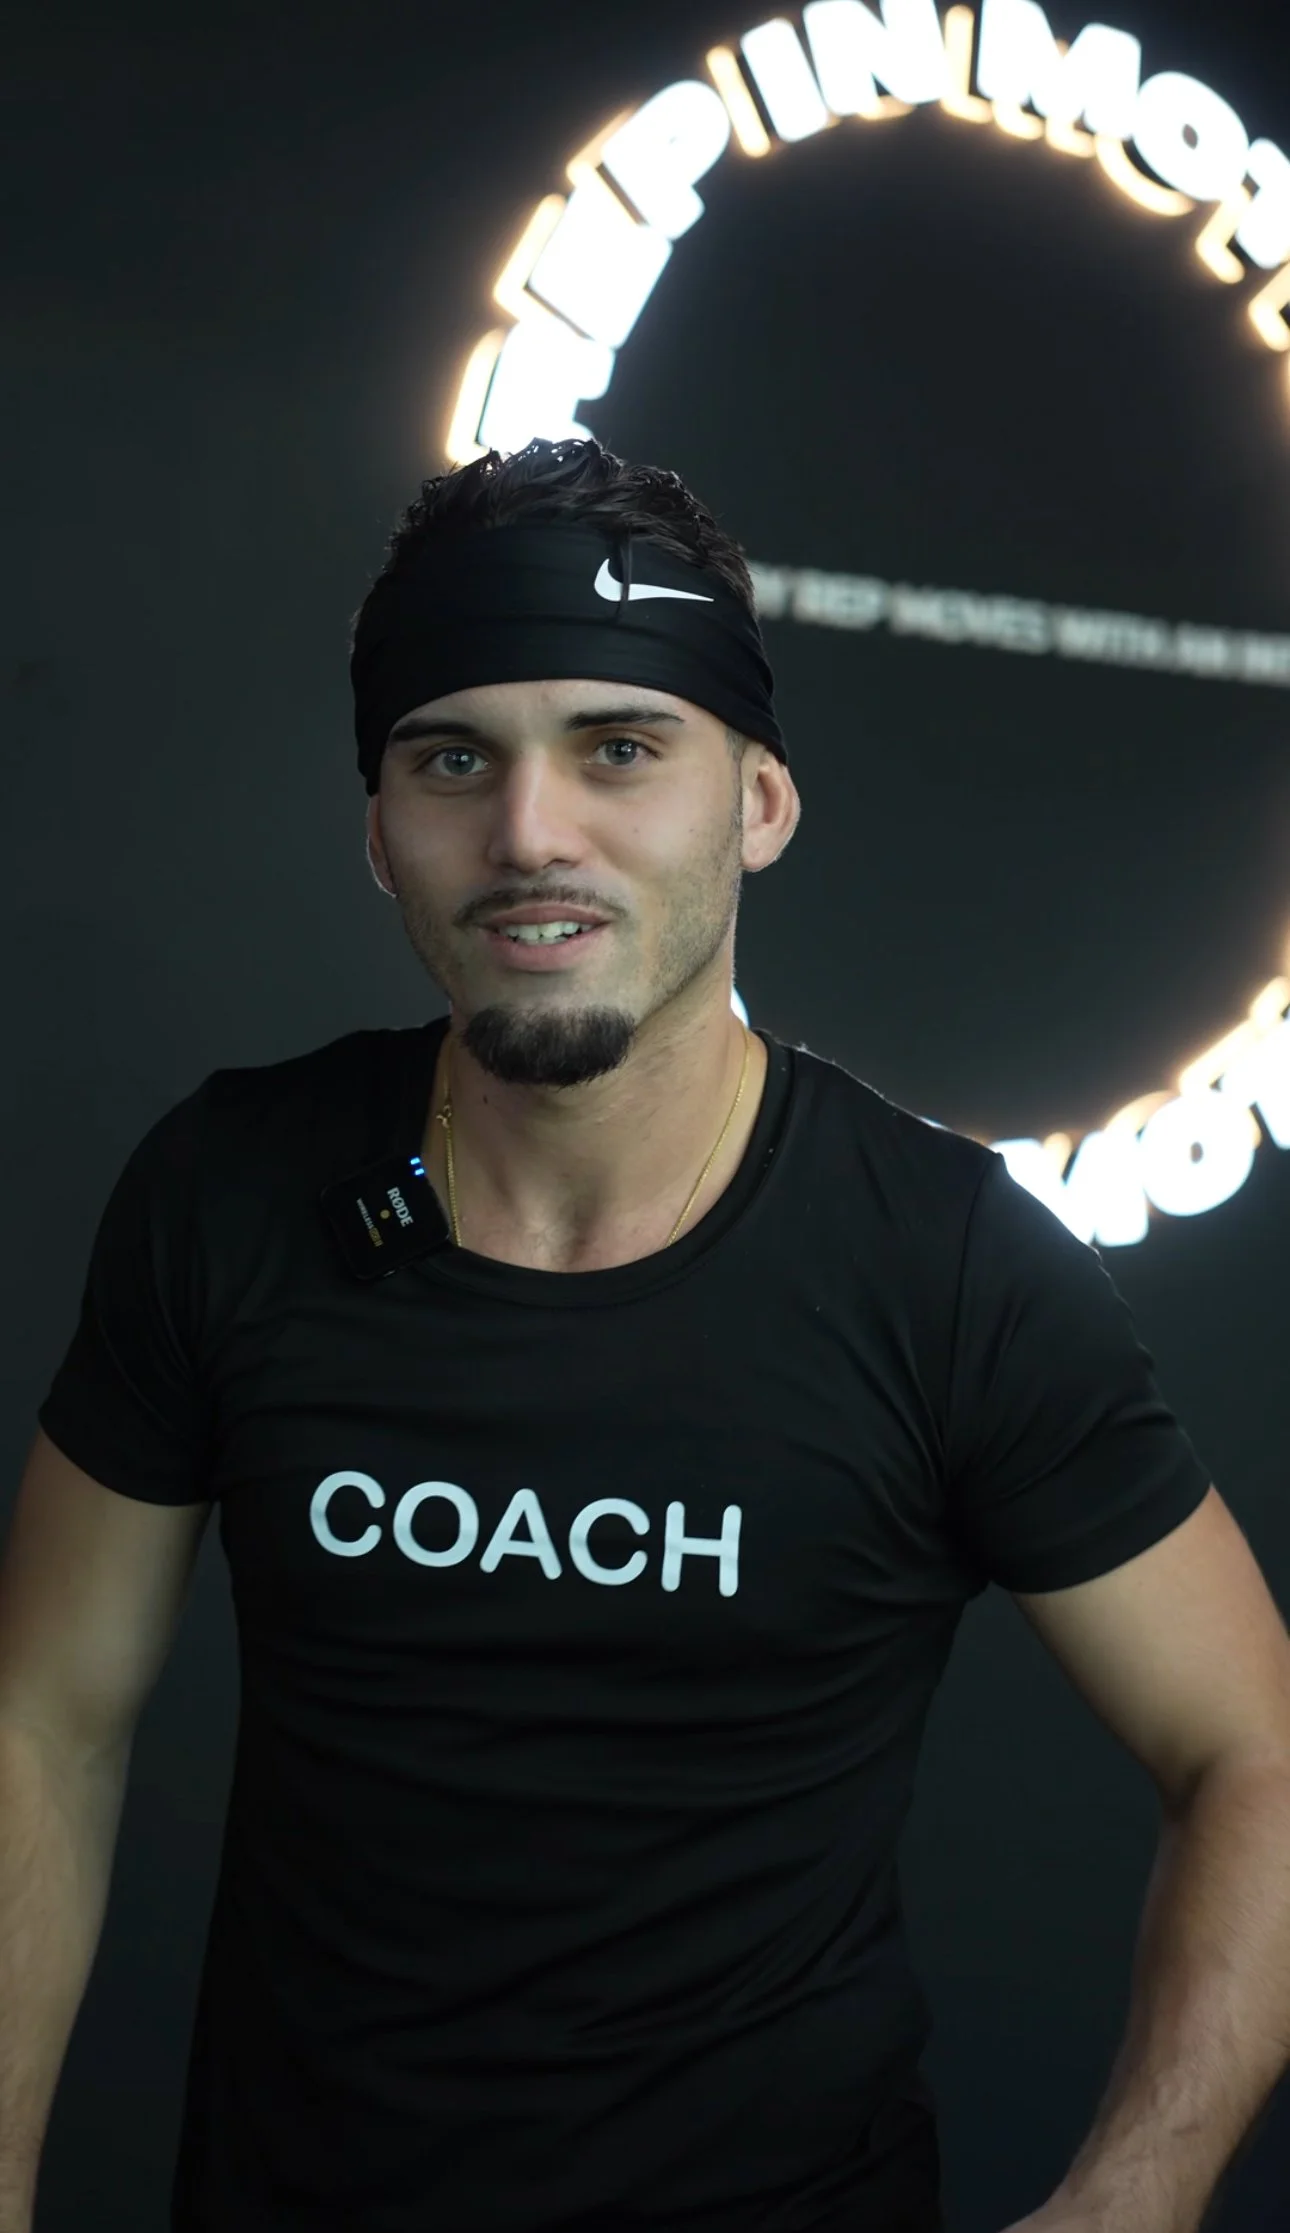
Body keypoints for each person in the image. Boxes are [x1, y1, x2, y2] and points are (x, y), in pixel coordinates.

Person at [21, 437, 1212, 2233]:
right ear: (376, 830)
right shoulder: (229, 1189)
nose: (527, 833)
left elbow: (1255, 1756)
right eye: (451, 759)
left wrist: (1136, 2196)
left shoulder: (946, 1264)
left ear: (759, 803)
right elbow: (40, 1721)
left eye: (617, 747)